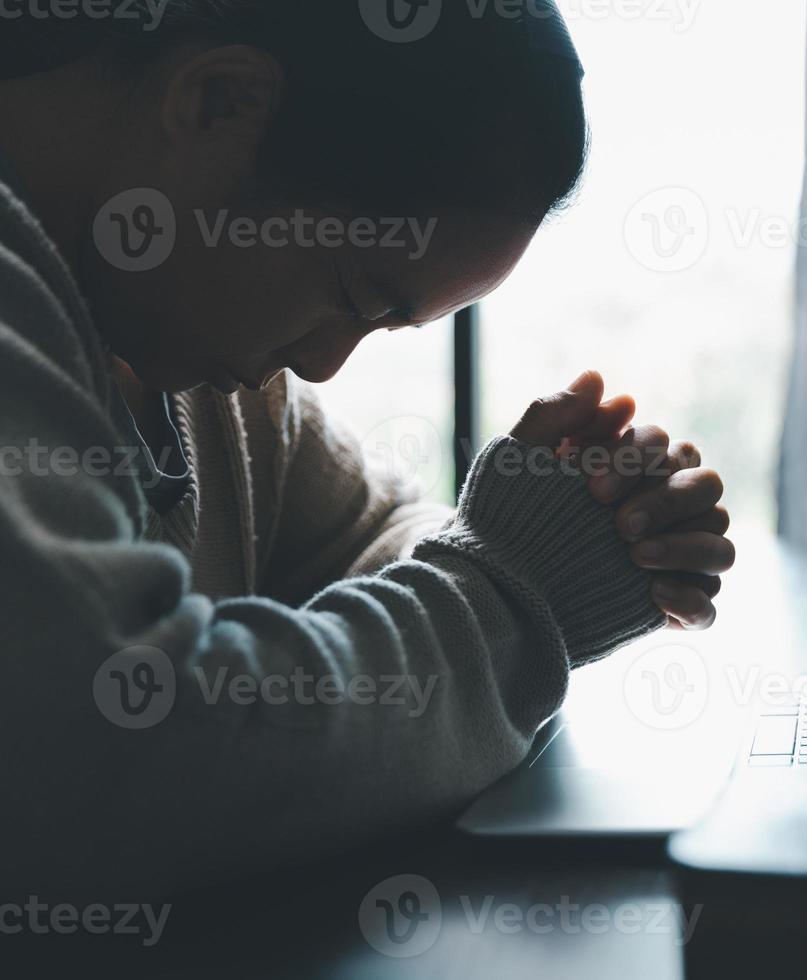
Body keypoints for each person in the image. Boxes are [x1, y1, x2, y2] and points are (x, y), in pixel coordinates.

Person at [0, 1, 734, 900]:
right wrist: (517, 595)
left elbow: (377, 531)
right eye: (351, 291)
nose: (320, 363)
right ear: (219, 103)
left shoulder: (177, 344)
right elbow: (137, 750)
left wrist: (562, 533)